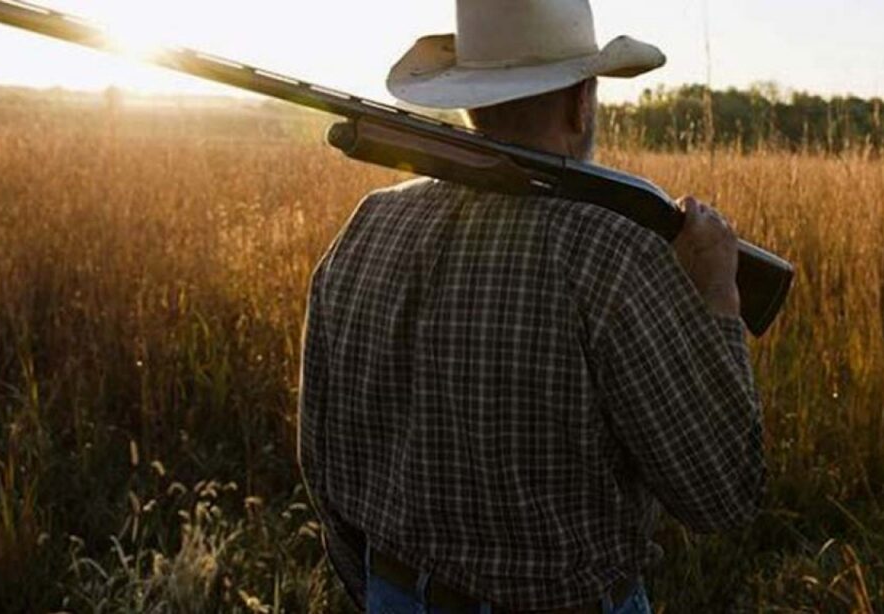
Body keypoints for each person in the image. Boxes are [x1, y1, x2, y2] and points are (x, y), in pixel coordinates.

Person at [297, 1, 765, 611]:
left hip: (394, 594)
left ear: (471, 98)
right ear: (582, 99)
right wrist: (718, 297)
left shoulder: (369, 224)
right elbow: (722, 491)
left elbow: (321, 459)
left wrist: (383, 590)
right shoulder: (613, 250)